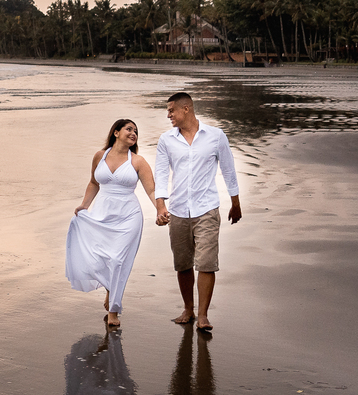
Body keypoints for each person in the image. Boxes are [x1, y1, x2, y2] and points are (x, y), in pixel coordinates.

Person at [154, 92, 242, 332]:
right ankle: (188, 308)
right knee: (182, 263)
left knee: (206, 263)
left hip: (207, 209)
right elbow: (161, 174)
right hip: (178, 210)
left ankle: (203, 315)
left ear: (187, 109)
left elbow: (228, 169)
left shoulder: (215, 136)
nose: (168, 115)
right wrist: (160, 205)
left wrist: (236, 202)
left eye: (171, 110)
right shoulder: (166, 140)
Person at [66, 119, 160, 327]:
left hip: (128, 216)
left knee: (118, 261)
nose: (133, 133)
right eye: (129, 129)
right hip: (102, 213)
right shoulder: (100, 156)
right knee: (100, 258)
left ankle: (114, 310)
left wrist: (160, 209)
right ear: (116, 132)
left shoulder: (137, 161)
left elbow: (152, 190)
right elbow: (93, 182)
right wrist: (84, 205)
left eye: (136, 131)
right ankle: (111, 289)